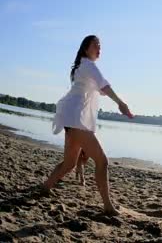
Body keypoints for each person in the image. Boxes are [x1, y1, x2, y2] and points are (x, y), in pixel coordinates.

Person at [41, 35, 134, 215]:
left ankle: (45, 186)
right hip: (75, 119)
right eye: (96, 45)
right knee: (102, 161)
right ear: (86, 48)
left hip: (71, 117)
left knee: (69, 163)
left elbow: (100, 88)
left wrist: (107, 92)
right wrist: (121, 103)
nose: (99, 48)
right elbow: (104, 85)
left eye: (100, 45)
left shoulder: (82, 67)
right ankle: (108, 206)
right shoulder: (89, 66)